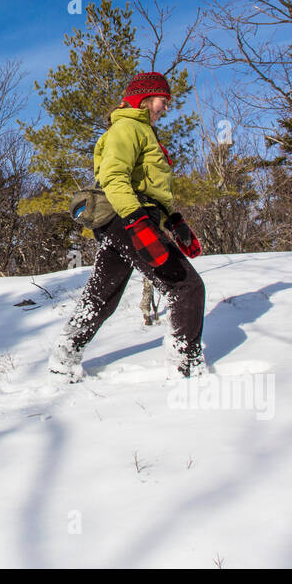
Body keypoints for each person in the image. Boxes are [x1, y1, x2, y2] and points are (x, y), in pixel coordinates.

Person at [51, 72, 207, 382]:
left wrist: (174, 220)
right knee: (185, 285)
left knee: (102, 295)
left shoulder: (142, 130)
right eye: (163, 100)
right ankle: (186, 366)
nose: (166, 107)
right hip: (127, 217)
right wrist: (136, 221)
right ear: (146, 98)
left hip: (124, 220)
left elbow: (150, 186)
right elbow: (113, 177)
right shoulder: (127, 127)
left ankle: (64, 355)